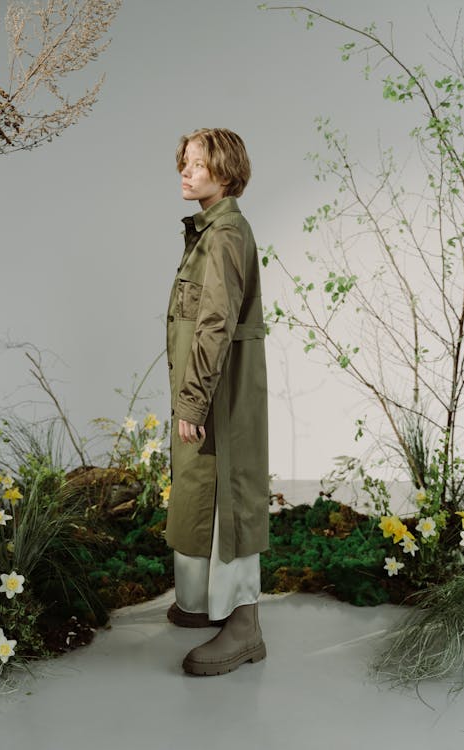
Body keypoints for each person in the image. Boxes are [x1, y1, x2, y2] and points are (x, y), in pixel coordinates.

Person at [165, 127, 269, 676]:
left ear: (225, 172)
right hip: (211, 386)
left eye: (197, 164)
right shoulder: (209, 230)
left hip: (221, 391)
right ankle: (207, 603)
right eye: (184, 161)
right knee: (201, 486)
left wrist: (193, 401)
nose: (185, 171)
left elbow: (213, 324)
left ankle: (245, 624)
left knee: (228, 493)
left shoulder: (225, 234)